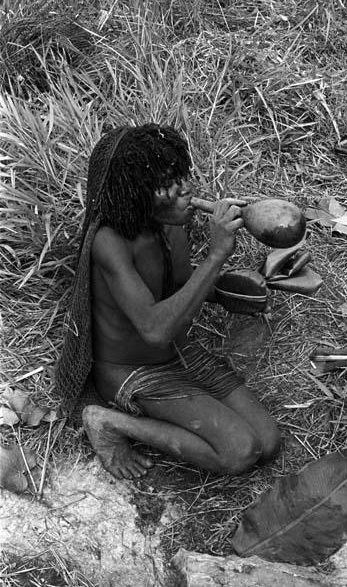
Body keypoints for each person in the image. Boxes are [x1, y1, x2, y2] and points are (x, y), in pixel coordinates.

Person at [55, 124, 281, 480]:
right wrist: (216, 255)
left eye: (181, 176)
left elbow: (179, 286)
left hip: (180, 353)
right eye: (167, 185)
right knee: (240, 452)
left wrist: (229, 292)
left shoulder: (171, 226)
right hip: (136, 372)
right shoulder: (110, 244)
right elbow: (155, 329)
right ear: (134, 195)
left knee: (268, 444)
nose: (185, 190)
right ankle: (110, 422)